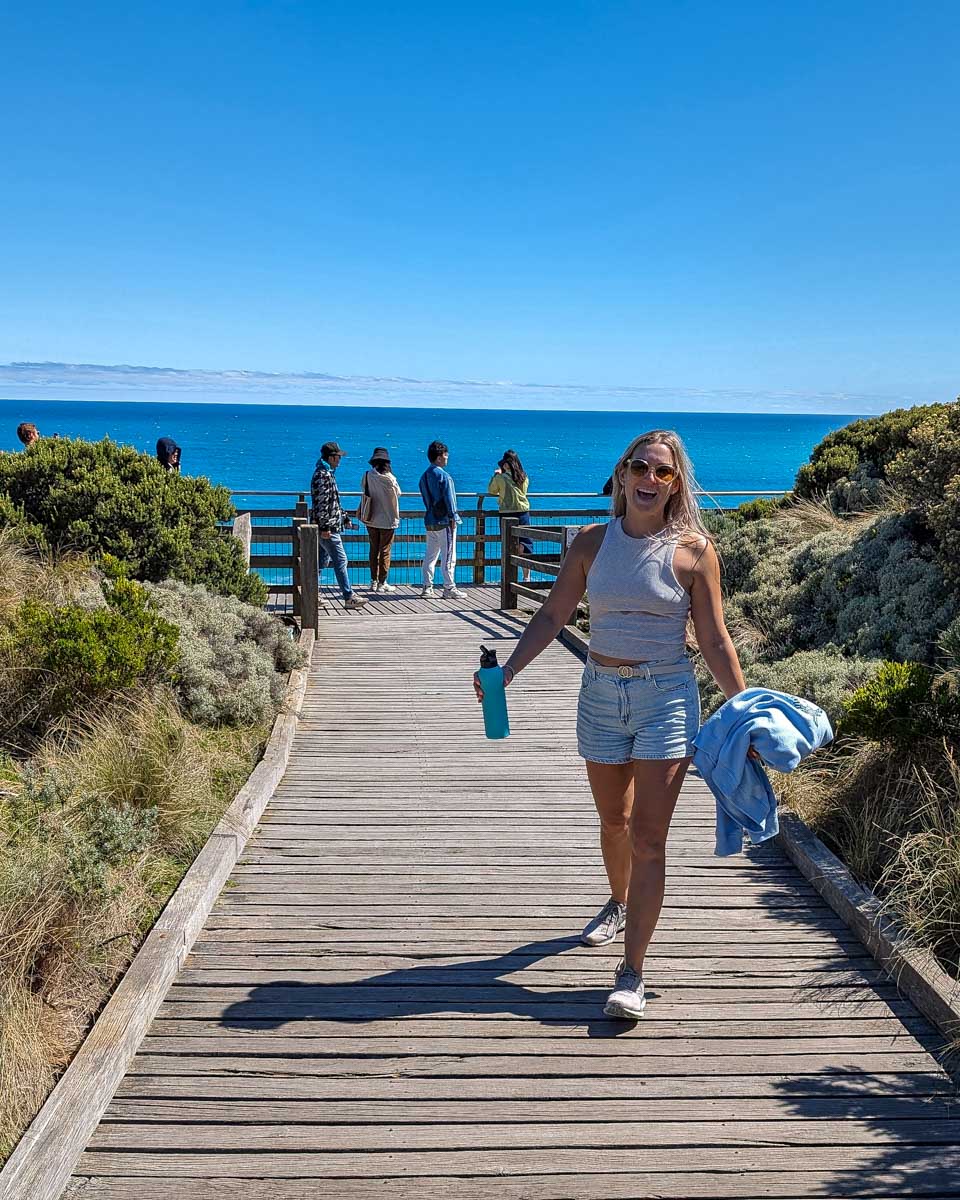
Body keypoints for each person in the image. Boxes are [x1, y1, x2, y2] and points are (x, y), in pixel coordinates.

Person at [474, 430, 750, 1021]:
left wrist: (746, 710)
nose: (650, 480)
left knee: (650, 837)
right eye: (640, 468)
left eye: (664, 473)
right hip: (599, 692)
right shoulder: (591, 544)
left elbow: (713, 638)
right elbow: (552, 613)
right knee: (613, 820)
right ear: (622, 474)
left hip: (666, 698)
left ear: (676, 484)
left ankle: (632, 973)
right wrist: (510, 673)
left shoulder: (695, 551)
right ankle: (617, 900)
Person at [310, 441, 366, 611]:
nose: (340, 460)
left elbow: (333, 502)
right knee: (340, 559)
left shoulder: (326, 473)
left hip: (329, 525)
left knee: (321, 561)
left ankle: (313, 594)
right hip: (328, 528)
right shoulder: (323, 475)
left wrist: (345, 518)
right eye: (338, 457)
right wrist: (325, 527)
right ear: (331, 457)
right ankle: (348, 596)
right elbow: (322, 503)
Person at [418, 440, 463, 599]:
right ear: (438, 457)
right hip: (444, 521)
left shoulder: (423, 477)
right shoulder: (445, 477)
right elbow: (450, 500)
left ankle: (427, 586)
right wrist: (453, 517)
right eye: (445, 455)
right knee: (449, 555)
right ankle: (449, 587)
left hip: (430, 520)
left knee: (430, 555)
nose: (447, 457)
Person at [488, 449, 534, 582]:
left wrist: (495, 475)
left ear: (506, 464)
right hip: (523, 512)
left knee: (508, 545)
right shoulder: (523, 477)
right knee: (525, 544)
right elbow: (524, 491)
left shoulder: (500, 478)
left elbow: (491, 490)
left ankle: (508, 577)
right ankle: (526, 577)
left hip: (506, 513)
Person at [360, 447, 401, 593]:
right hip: (388, 520)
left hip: (371, 518)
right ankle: (382, 583)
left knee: (373, 549)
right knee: (385, 551)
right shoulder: (390, 479)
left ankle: (373, 580)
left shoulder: (367, 475)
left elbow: (363, 489)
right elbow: (399, 493)